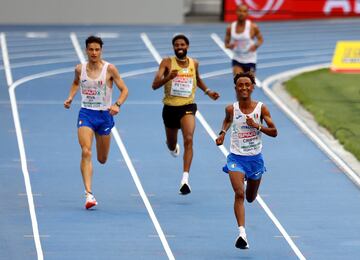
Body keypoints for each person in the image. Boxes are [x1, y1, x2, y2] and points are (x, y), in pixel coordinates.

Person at [64, 35, 129, 209]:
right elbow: (76, 83)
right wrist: (70, 97)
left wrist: (117, 104)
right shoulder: (80, 69)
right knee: (86, 151)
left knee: (102, 159)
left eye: (97, 49)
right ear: (86, 50)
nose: (94, 52)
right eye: (91, 49)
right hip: (86, 113)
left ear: (101, 50)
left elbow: (124, 90)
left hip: (104, 115)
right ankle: (89, 194)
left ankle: (90, 191)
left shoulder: (109, 69)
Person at [215, 72, 277, 249]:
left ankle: (251, 180)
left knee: (250, 198)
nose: (243, 88)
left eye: (247, 85)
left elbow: (274, 132)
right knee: (239, 193)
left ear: (252, 87)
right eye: (240, 85)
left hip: (255, 160)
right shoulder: (231, 109)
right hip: (236, 158)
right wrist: (222, 134)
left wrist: (257, 126)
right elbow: (227, 121)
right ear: (235, 88)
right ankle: (242, 233)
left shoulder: (261, 109)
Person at [152, 34, 220, 195]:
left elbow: (198, 79)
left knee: (189, 139)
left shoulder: (194, 63)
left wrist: (208, 91)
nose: (179, 47)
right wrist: (168, 77)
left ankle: (185, 179)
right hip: (169, 108)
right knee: (171, 143)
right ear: (173, 47)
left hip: (188, 106)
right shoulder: (167, 62)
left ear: (187, 47)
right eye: (176, 45)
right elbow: (154, 85)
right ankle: (173, 147)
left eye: (182, 44)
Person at [224, 3, 264, 76]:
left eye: (244, 11)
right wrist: (230, 46)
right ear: (236, 12)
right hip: (237, 59)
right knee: (239, 83)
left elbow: (260, 39)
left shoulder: (253, 27)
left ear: (247, 13)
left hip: (250, 59)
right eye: (240, 11)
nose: (242, 13)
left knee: (249, 85)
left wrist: (256, 46)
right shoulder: (230, 27)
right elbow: (226, 44)